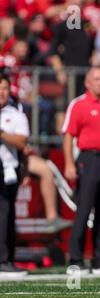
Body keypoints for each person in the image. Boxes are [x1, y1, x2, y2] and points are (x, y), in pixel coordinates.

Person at [62, 66, 100, 273]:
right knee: (84, 210)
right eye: (96, 79)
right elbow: (68, 135)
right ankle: (76, 257)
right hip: (89, 160)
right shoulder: (79, 105)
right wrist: (69, 163)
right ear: (87, 82)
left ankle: (99, 256)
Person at [0, 74, 29, 275]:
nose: (1, 92)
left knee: (6, 214)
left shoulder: (16, 114)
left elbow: (21, 142)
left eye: (4, 88)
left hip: (7, 169)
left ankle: (5, 259)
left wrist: (1, 134)